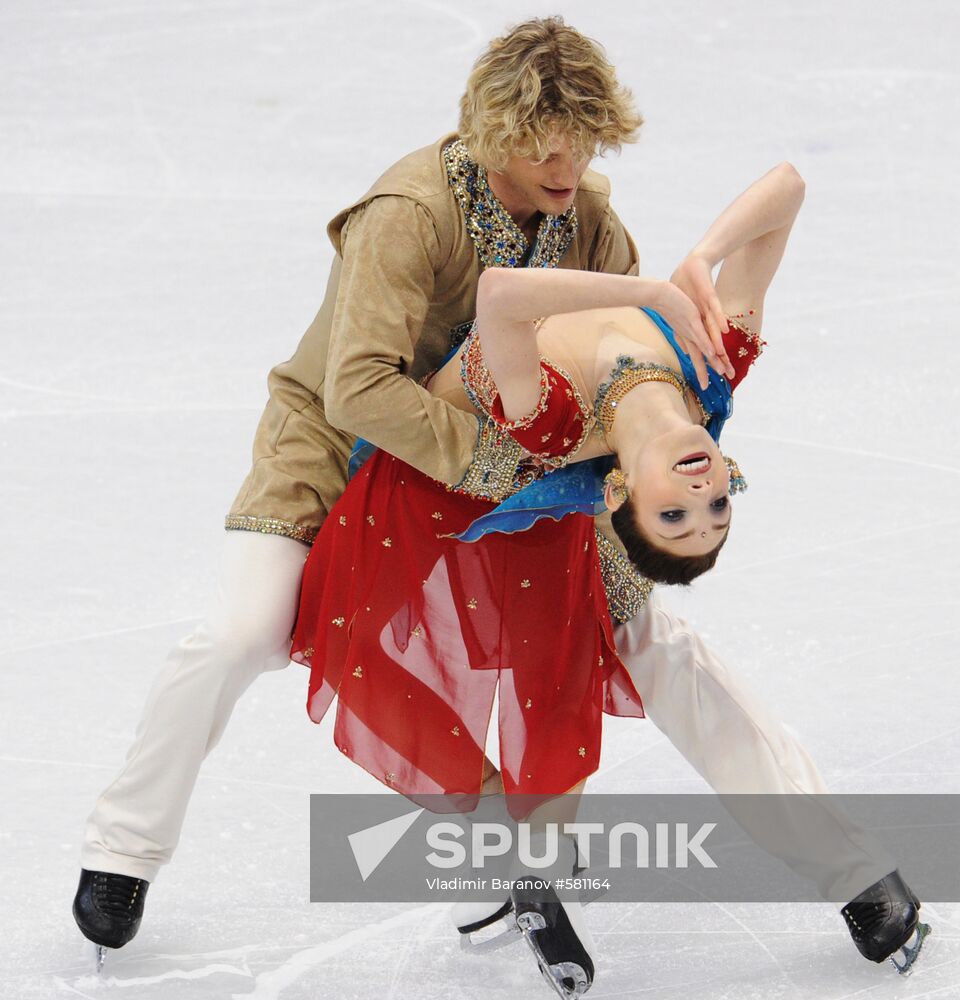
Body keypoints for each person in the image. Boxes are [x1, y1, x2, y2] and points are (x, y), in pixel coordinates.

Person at [71, 15, 924, 985]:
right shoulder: (409, 211)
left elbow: (627, 356)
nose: (566, 165)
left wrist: (596, 491)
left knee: (655, 645)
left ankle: (852, 870)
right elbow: (356, 387)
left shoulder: (587, 211)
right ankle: (123, 848)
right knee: (242, 631)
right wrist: (495, 465)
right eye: (541, 145)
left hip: (537, 468)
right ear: (490, 132)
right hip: (347, 452)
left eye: (583, 141)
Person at [286, 162, 928, 996]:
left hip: (527, 495)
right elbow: (791, 188)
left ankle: (848, 874)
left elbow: (504, 297)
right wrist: (701, 260)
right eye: (716, 509)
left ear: (624, 499)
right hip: (442, 496)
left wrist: (661, 294)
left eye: (678, 518)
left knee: (660, 667)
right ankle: (520, 859)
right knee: (370, 658)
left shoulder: (561, 420)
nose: (701, 501)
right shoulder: (710, 363)